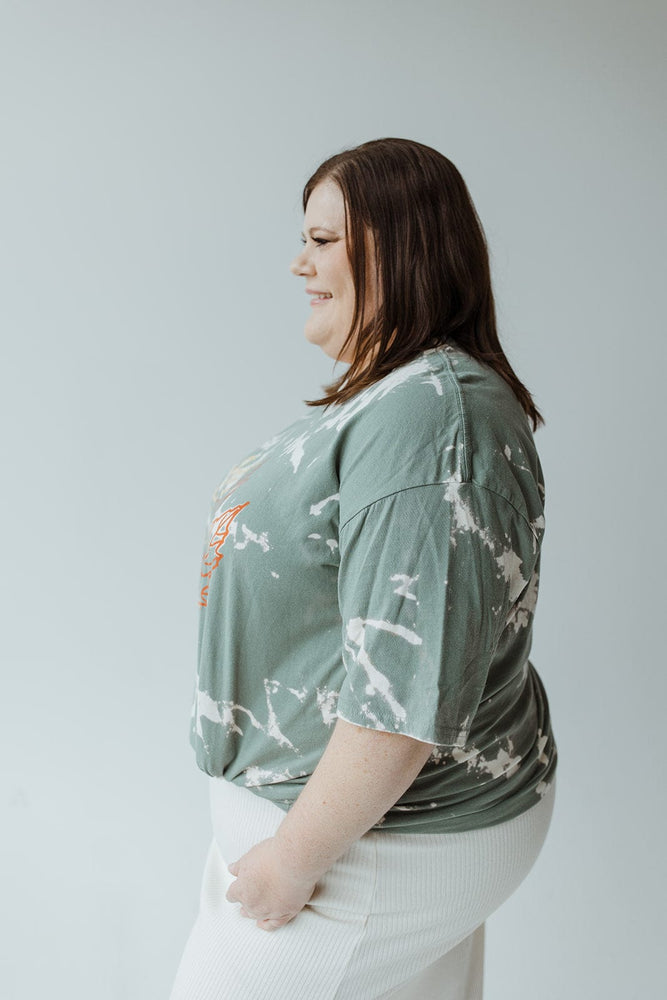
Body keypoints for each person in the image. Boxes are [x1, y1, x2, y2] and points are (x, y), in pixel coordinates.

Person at [169, 137, 557, 1000]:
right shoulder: (397, 396)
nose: (298, 263)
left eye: (321, 239)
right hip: (348, 837)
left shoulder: (430, 414)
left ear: (398, 242)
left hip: (370, 848)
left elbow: (403, 687)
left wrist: (298, 856)